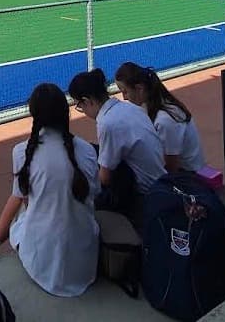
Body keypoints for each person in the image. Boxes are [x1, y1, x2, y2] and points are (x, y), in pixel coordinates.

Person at [0, 84, 100, 296]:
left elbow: (21, 198)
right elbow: (94, 194)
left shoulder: (22, 152)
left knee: (22, 207)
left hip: (44, 268)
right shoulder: (88, 151)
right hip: (84, 266)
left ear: (34, 114)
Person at [68, 68, 165, 224]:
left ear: (87, 101)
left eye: (80, 106)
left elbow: (104, 179)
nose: (82, 110)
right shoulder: (129, 107)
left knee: (85, 199)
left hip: (143, 194)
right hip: (159, 180)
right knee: (92, 150)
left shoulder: (107, 123)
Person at [114, 62, 205, 173]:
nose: (124, 98)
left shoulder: (165, 120)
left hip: (187, 175)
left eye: (125, 92)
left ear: (139, 88)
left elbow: (171, 167)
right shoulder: (151, 105)